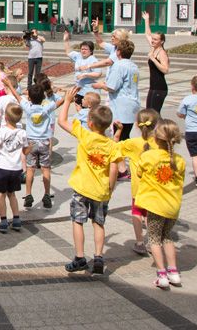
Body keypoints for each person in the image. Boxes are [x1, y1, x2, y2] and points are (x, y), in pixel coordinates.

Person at [57, 86, 122, 275]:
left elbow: (62, 121)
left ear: (91, 123)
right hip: (101, 191)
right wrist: (110, 189)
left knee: (78, 221)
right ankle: (99, 257)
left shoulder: (85, 135)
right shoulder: (111, 145)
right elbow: (114, 168)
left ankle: (79, 257)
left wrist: (68, 101)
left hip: (82, 188)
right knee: (99, 223)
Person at [135, 119, 186, 290]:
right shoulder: (179, 160)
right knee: (167, 236)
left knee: (155, 239)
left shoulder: (149, 156)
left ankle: (161, 273)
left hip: (155, 205)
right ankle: (174, 272)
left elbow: (139, 172)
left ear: (155, 139)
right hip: (172, 205)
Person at [91, 38, 140, 178]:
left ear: (118, 52)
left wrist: (99, 85)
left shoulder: (119, 66)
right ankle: (128, 165)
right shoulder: (133, 66)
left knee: (118, 137)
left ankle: (121, 169)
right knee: (125, 136)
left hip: (120, 106)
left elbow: (112, 87)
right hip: (132, 105)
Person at [120, 108, 160, 255]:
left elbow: (114, 148)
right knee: (151, 213)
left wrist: (118, 133)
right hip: (154, 187)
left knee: (137, 212)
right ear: (156, 125)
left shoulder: (133, 143)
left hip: (138, 187)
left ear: (137, 124)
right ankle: (153, 241)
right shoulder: (160, 142)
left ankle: (139, 241)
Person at [0, 103, 27, 234]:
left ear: (6, 118)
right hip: (16, 168)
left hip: (3, 167)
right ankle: (17, 219)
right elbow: (25, 150)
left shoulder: (2, 132)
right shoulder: (22, 132)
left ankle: (3, 221)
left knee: (1, 195)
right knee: (12, 194)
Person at [20, 83, 59, 209]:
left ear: (29, 98)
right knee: (46, 169)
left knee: (30, 168)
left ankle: (28, 194)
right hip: (44, 142)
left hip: (31, 142)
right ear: (43, 98)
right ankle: (47, 194)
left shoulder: (28, 108)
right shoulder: (46, 108)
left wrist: (9, 85)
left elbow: (17, 97)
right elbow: (60, 101)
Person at [142, 11, 170, 113]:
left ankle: (162, 129)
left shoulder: (161, 53)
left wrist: (153, 59)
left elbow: (166, 69)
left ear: (161, 41)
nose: (152, 41)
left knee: (154, 114)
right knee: (149, 113)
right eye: (153, 39)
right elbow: (148, 34)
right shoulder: (154, 47)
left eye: (155, 39)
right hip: (153, 87)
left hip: (160, 88)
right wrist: (146, 20)